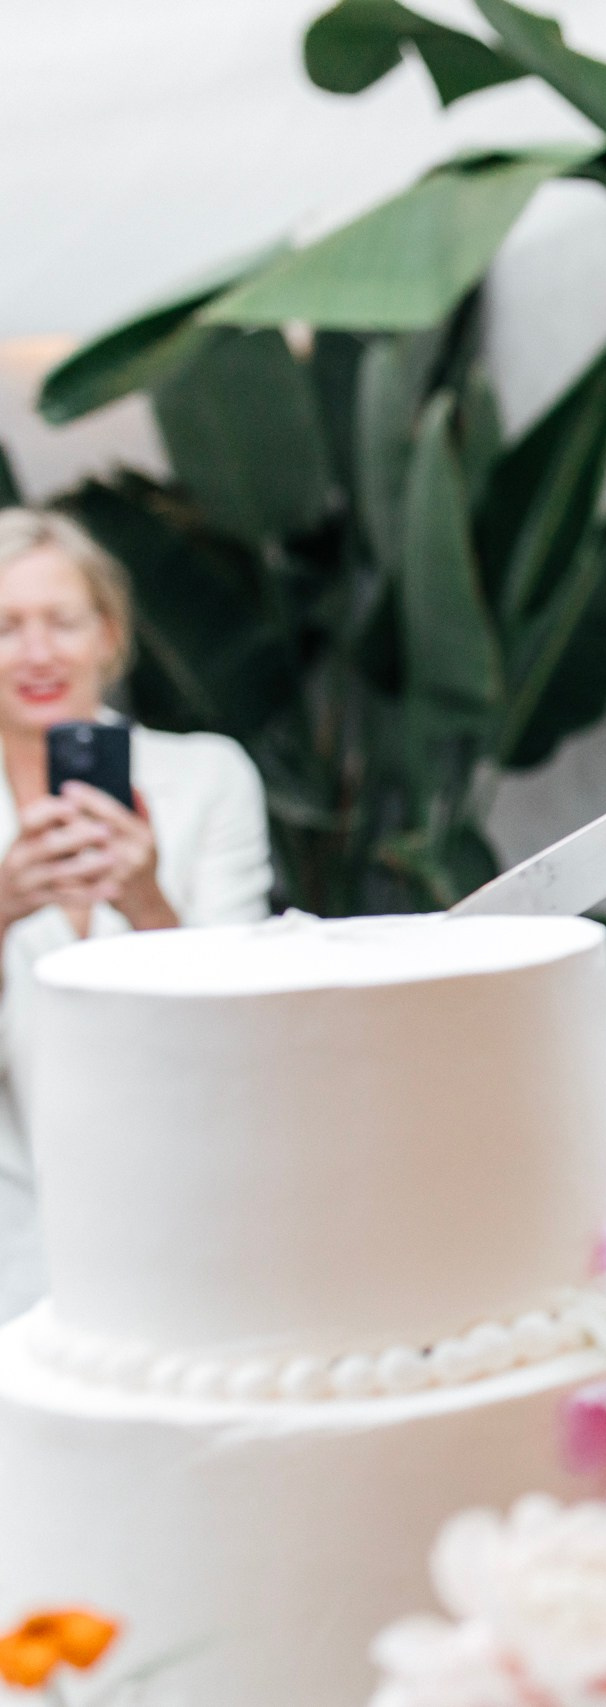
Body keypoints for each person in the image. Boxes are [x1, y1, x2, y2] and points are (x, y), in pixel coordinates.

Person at [0, 510, 272, 1323]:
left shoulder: (208, 779)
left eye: (63, 621)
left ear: (109, 635)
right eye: (7, 626)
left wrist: (147, 900)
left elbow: (245, 1027)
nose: (39, 652)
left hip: (185, 1204)